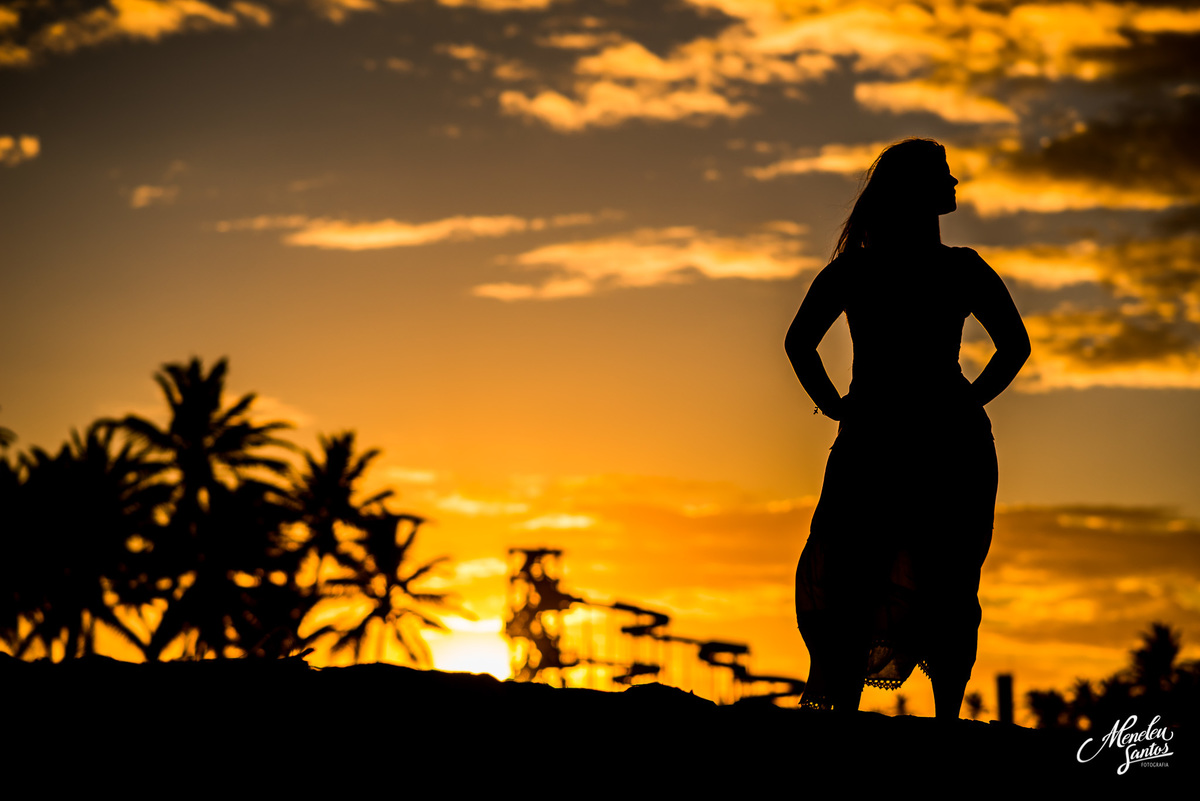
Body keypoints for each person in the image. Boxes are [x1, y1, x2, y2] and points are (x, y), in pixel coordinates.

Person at [785, 138, 1030, 718]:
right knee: (948, 578)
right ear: (916, 191)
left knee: (855, 573)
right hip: (946, 442)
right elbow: (1014, 348)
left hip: (878, 437)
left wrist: (837, 403)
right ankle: (945, 716)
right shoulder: (959, 270)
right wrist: (967, 401)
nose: (953, 184)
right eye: (943, 175)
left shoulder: (857, 272)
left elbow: (799, 345)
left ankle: (851, 710)